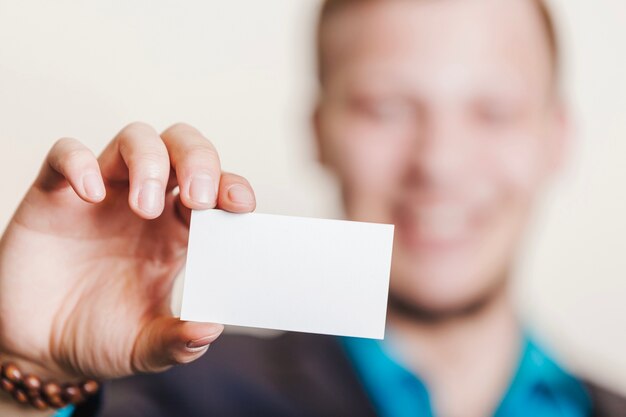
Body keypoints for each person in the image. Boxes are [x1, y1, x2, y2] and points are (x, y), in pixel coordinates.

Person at [0, 0, 624, 416]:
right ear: (319, 131)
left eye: (494, 111)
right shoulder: (165, 396)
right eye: (388, 108)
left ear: (558, 137)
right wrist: (32, 372)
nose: (439, 163)